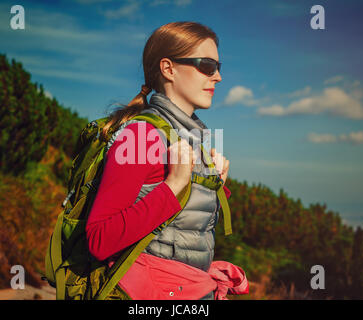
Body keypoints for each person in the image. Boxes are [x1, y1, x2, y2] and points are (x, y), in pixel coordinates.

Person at [85, 21, 248, 300]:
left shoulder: (188, 137)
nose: (218, 77)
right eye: (207, 66)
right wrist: (173, 186)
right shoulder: (140, 135)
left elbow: (182, 231)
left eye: (219, 67)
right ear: (168, 68)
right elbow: (99, 239)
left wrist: (214, 185)